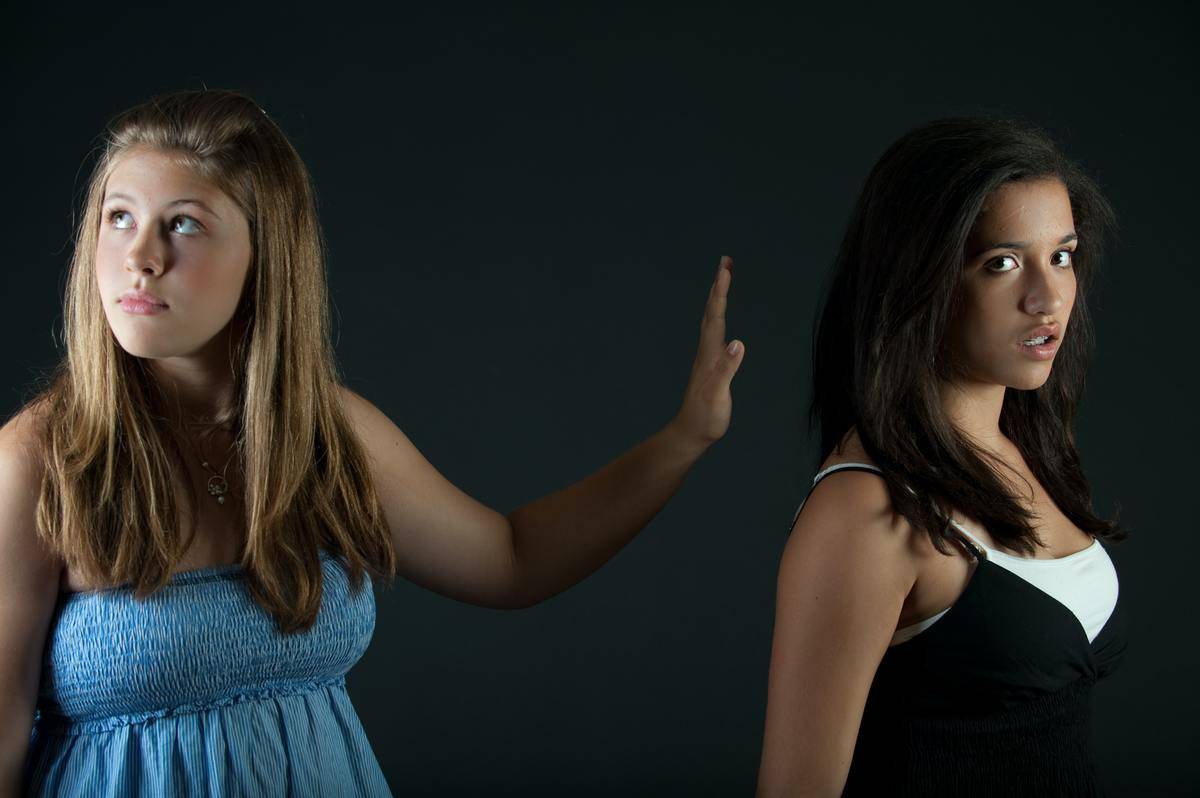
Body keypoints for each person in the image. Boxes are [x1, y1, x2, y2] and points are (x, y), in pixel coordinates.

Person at [0, 88, 746, 797]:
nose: (140, 257)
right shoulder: (37, 463)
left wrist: (682, 441)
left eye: (184, 223)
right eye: (119, 217)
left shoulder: (329, 437)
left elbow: (513, 560)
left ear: (268, 254)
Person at [757, 118, 1129, 796]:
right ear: (920, 279)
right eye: (1003, 263)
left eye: (1063, 256)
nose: (1048, 299)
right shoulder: (868, 511)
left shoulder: (1024, 447)